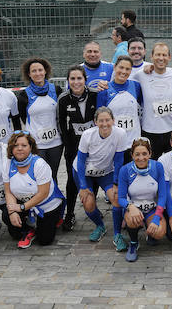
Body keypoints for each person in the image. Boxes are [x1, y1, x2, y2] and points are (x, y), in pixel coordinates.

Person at [75, 107, 128, 250]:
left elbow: (118, 160)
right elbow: (80, 162)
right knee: (88, 202)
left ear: (113, 120)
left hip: (106, 172)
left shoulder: (120, 133)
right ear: (95, 122)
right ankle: (100, 226)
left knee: (116, 198)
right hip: (85, 173)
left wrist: (116, 183)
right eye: (101, 121)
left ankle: (117, 234)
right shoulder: (87, 135)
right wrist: (83, 186)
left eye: (107, 120)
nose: (105, 124)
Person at [2, 131, 66, 248]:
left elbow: (43, 193)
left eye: (24, 145)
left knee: (45, 240)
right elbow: (8, 191)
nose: (19, 148)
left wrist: (21, 208)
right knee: (9, 220)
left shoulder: (39, 164)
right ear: (11, 148)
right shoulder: (7, 164)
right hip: (24, 203)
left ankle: (52, 219)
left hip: (45, 205)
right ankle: (29, 229)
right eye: (16, 146)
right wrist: (12, 211)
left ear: (31, 147)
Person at [57, 66, 98, 231]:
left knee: (94, 176)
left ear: (85, 79)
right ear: (68, 81)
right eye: (72, 79)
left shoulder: (95, 95)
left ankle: (92, 207)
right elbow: (61, 124)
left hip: (95, 146)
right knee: (72, 180)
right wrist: (68, 148)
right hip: (74, 147)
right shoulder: (63, 99)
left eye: (79, 78)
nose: (76, 82)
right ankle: (70, 213)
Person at [117, 139, 169, 261]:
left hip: (151, 209)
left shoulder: (158, 167)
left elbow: (162, 196)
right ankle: (134, 243)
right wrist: (130, 207)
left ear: (150, 153)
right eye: (137, 154)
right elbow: (120, 198)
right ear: (132, 155)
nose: (141, 158)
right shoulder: (125, 170)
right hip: (134, 209)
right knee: (132, 219)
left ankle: (150, 232)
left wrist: (156, 219)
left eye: (144, 154)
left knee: (160, 232)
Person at [132, 43, 172, 156]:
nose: (161, 58)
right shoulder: (141, 75)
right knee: (151, 167)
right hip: (149, 130)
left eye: (164, 55)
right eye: (158, 55)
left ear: (169, 57)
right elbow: (123, 79)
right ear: (151, 57)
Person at [16, 58, 64, 181]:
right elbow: (23, 118)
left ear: (45, 71)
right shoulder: (23, 96)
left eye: (40, 70)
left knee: (53, 175)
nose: (38, 73)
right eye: (34, 71)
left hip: (56, 142)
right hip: (36, 143)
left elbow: (62, 115)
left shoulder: (57, 90)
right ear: (29, 74)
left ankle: (55, 199)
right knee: (40, 175)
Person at [96, 56, 143, 152]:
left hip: (134, 142)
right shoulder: (104, 90)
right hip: (113, 143)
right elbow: (99, 119)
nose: (124, 72)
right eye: (121, 68)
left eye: (127, 69)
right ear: (115, 68)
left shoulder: (136, 86)